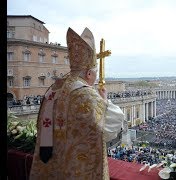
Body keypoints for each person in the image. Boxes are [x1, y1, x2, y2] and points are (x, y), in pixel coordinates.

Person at [30, 27, 125, 179]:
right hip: (78, 169)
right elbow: (111, 126)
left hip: (52, 165)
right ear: (88, 73)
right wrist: (104, 101)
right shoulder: (86, 94)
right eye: (94, 74)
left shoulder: (53, 89)